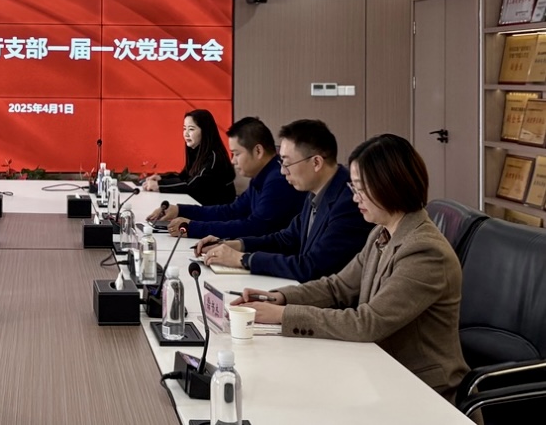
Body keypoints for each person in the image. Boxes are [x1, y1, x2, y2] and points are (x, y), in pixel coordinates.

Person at [231, 134, 469, 401]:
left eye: (361, 189)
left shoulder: (425, 251)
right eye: (353, 187)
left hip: (422, 390)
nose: (355, 198)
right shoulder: (382, 232)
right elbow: (338, 287)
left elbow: (368, 322)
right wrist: (280, 297)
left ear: (390, 186)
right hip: (379, 371)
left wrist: (283, 315)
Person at [200, 119, 372, 282]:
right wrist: (237, 245)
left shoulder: (349, 202)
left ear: (316, 162)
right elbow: (285, 239)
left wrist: (243, 259)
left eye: (287, 163)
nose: (282, 171)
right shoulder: (315, 191)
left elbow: (312, 267)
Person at [148, 117, 305, 239]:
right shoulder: (262, 176)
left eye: (236, 154)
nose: (233, 161)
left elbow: (255, 228)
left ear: (258, 151)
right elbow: (231, 211)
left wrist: (193, 227)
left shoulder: (277, 180)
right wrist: (180, 210)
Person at [141, 109, 236, 206]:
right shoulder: (196, 150)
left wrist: (159, 186)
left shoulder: (214, 157)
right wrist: (161, 178)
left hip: (215, 211)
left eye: (191, 129)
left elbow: (193, 186)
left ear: (205, 131)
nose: (186, 134)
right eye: (184, 128)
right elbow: (185, 177)